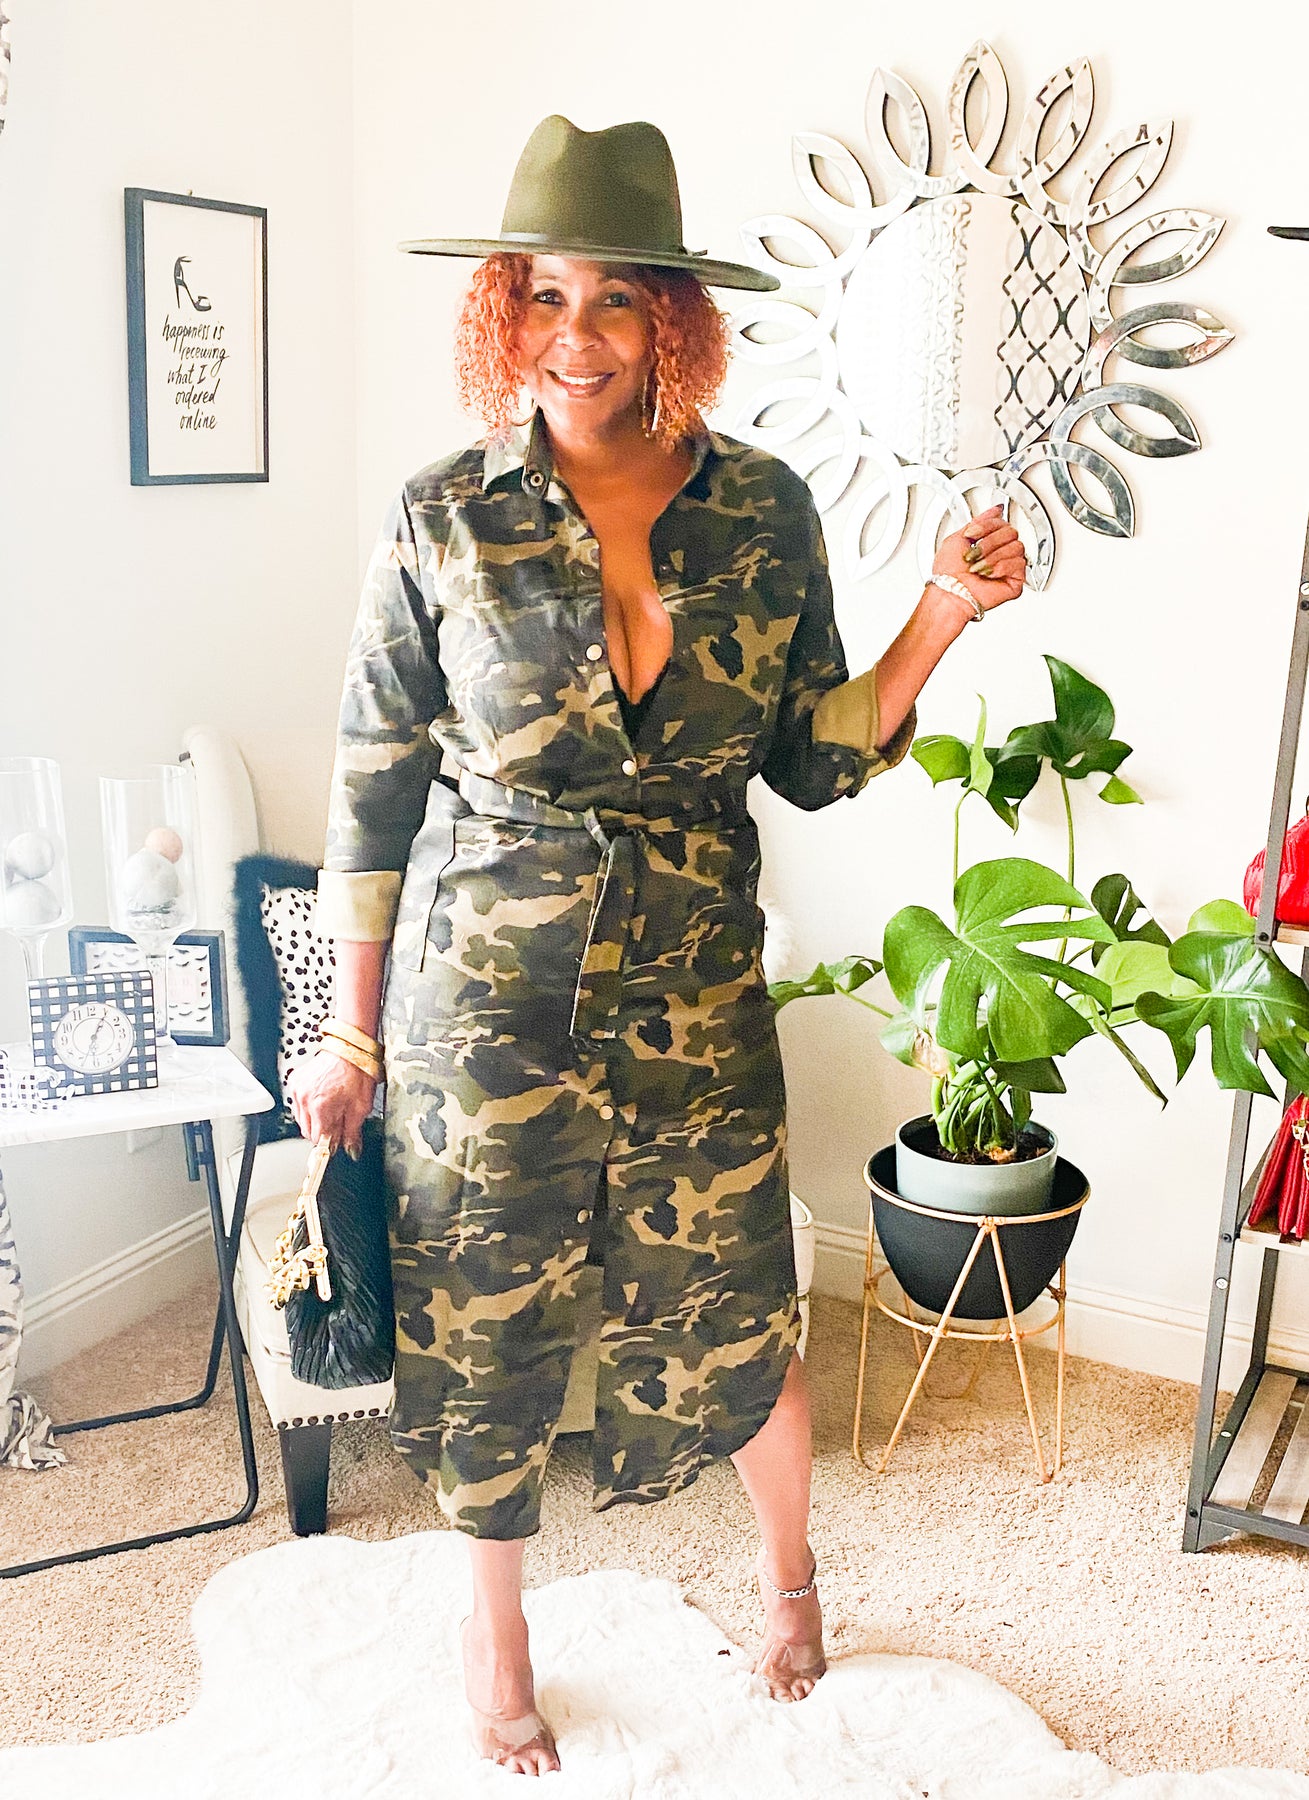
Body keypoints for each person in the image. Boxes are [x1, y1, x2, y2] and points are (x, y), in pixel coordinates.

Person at [288, 114, 1027, 1777]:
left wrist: (940, 614)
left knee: (734, 1303)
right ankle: (496, 1636)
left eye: (614, 300)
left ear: (667, 320)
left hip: (693, 993)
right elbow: (369, 788)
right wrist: (349, 1035)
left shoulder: (760, 507)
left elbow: (811, 759)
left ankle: (791, 1582)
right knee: (484, 1322)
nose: (577, 336)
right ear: (505, 309)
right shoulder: (442, 513)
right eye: (545, 297)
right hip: (485, 1004)